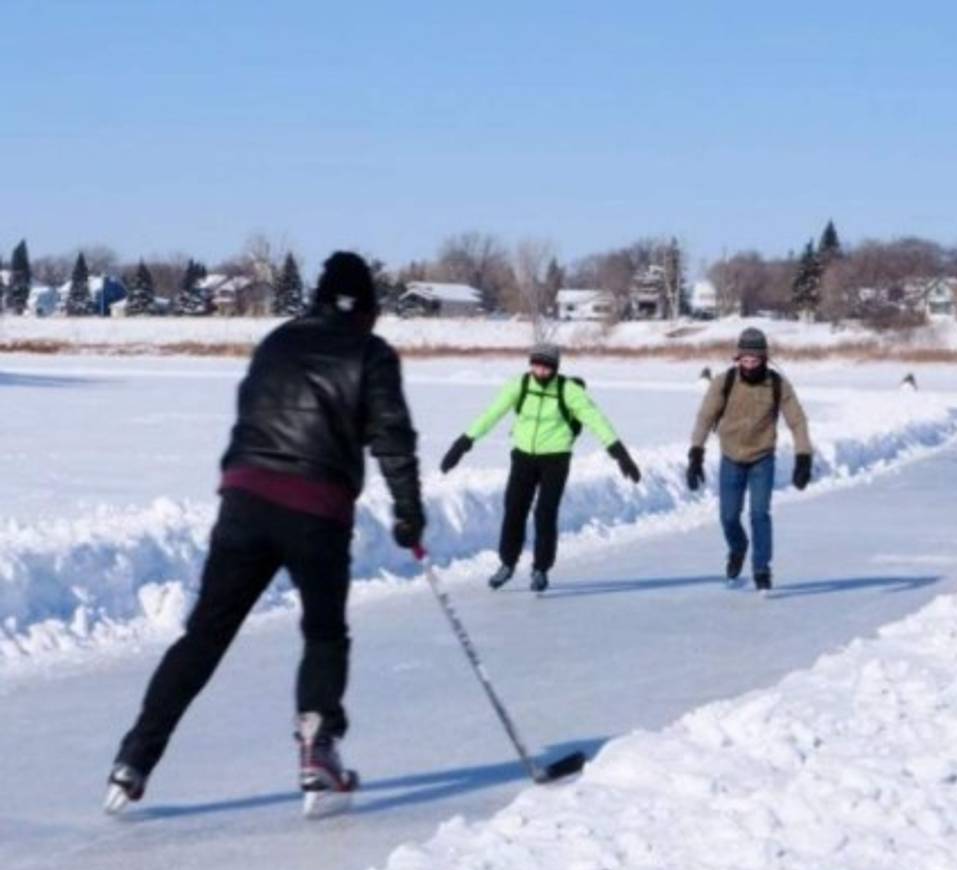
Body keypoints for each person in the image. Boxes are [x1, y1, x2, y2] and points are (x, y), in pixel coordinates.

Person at [105, 251, 424, 812]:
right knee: (324, 633)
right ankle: (317, 751)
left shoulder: (277, 341)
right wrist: (408, 513)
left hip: (246, 500)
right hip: (316, 508)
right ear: (368, 308)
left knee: (204, 636)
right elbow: (392, 437)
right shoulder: (371, 354)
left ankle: (134, 757)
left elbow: (249, 413)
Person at [439, 343, 640, 593]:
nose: (540, 371)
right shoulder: (520, 385)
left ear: (555, 368)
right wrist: (463, 443)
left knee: (545, 513)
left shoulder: (569, 391)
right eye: (536, 364)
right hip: (523, 457)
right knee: (514, 509)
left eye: (546, 366)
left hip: (555, 460)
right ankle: (507, 564)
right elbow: (491, 414)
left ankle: (541, 569)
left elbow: (596, 420)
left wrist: (619, 454)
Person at [686, 327, 812, 591]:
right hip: (731, 456)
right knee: (728, 516)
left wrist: (803, 456)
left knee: (759, 513)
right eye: (745, 360)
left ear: (764, 359)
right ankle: (738, 547)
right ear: (738, 358)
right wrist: (696, 453)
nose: (749, 365)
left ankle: (761, 568)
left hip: (762, 458)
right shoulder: (725, 382)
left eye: (755, 361)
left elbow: (797, 421)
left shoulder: (777, 384)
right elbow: (705, 417)